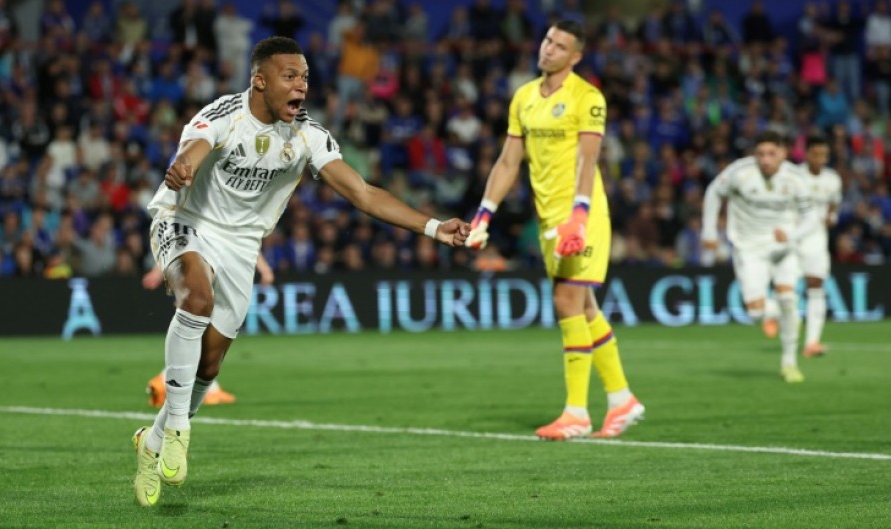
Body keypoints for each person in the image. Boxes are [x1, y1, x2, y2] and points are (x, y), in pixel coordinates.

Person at [131, 36, 470, 507]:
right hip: (184, 221)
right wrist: (182, 168)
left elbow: (364, 193)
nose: (301, 87)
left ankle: (151, 442)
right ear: (260, 80)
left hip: (242, 245)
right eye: (290, 77)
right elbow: (193, 148)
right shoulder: (224, 114)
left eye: (305, 77)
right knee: (197, 299)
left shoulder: (308, 137)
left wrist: (433, 227)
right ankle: (179, 431)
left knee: (210, 365)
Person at [465, 21, 644, 441]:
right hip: (547, 217)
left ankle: (576, 412)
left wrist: (579, 214)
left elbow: (588, 159)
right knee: (584, 309)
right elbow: (509, 162)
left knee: (566, 301)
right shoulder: (524, 97)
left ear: (575, 56)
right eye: (547, 40)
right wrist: (484, 215)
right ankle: (621, 399)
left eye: (560, 46)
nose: (549, 49)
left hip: (581, 214)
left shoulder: (588, 97)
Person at [701, 131, 818, 383]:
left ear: (783, 153)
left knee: (787, 297)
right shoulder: (739, 172)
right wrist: (709, 230)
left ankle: (789, 362)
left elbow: (811, 217)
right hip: (749, 247)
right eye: (761, 154)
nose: (765, 159)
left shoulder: (796, 178)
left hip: (783, 247)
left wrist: (791, 234)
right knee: (755, 313)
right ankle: (777, 313)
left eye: (771, 154)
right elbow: (713, 193)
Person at [139, 257, 275, 408]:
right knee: (197, 327)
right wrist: (158, 270)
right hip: (199, 268)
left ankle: (171, 381)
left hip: (212, 269)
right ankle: (170, 382)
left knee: (201, 331)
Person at [760, 136, 842, 356]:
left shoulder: (833, 179)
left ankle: (811, 343)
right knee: (786, 285)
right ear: (806, 154)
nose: (820, 159)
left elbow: (834, 203)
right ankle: (773, 314)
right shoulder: (794, 176)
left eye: (823, 154)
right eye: (815, 154)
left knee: (816, 285)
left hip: (817, 239)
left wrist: (832, 216)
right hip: (794, 237)